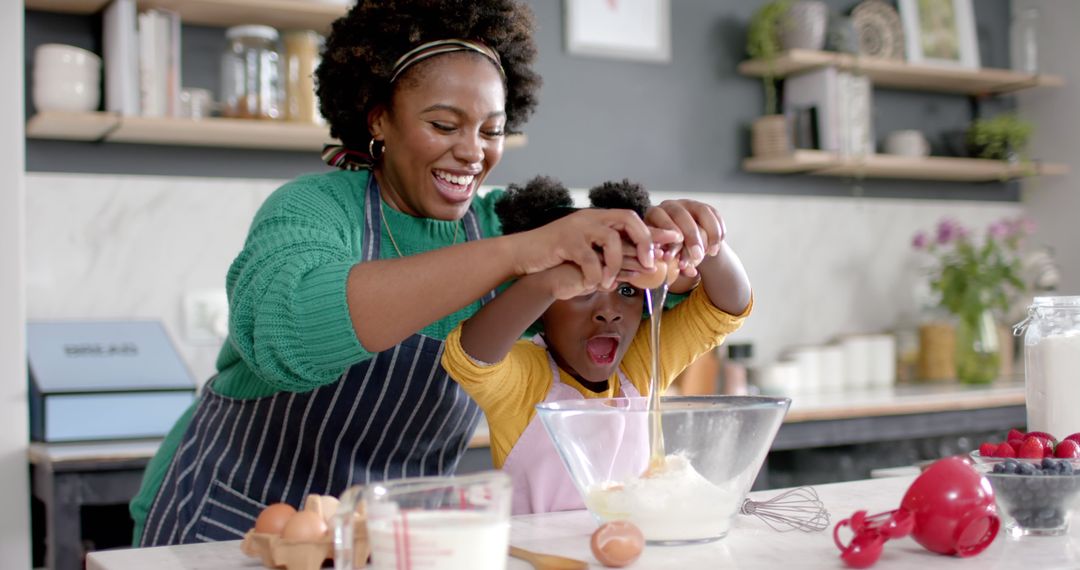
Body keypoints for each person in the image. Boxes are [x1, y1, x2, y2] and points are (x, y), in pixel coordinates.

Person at [130, 0, 680, 546]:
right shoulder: (314, 210)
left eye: (492, 131)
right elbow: (285, 333)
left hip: (394, 538)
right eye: (444, 124)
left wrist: (674, 250)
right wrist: (517, 254)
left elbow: (648, 305)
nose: (472, 153)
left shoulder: (504, 225)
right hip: (231, 523)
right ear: (379, 119)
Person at [441, 177, 753, 515]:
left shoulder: (640, 365)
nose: (609, 313)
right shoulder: (527, 380)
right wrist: (548, 281)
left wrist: (703, 243)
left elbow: (725, 308)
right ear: (542, 306)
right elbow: (473, 356)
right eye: (582, 288)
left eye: (627, 291)